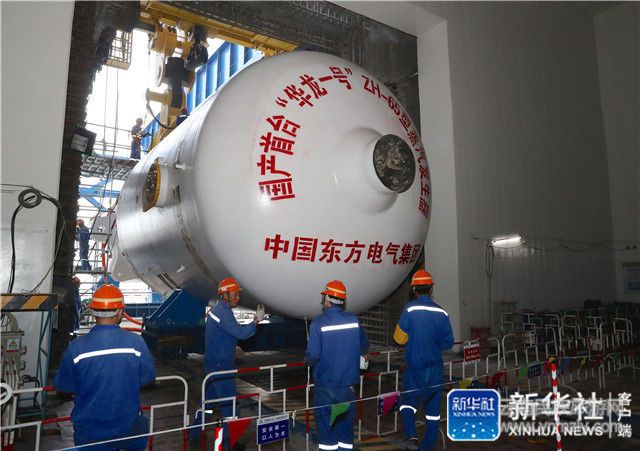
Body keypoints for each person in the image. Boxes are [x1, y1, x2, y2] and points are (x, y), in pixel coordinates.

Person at [54, 284, 156, 450]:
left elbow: (63, 386)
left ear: (93, 312)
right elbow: (148, 377)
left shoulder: (76, 348)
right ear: (120, 312)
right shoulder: (136, 343)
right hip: (129, 428)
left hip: (90, 434)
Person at [190, 277, 264, 448]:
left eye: (238, 294)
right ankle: (230, 442)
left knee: (207, 405)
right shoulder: (223, 312)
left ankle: (194, 433)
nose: (238, 297)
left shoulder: (219, 310)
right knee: (230, 406)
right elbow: (241, 333)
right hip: (222, 368)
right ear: (225, 295)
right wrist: (256, 321)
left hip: (212, 366)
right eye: (235, 294)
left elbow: (226, 332)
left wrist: (231, 345)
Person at [305, 280, 369, 451]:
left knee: (327, 432)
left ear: (327, 300)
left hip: (325, 387)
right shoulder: (354, 320)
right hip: (348, 387)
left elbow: (313, 355)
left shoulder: (318, 323)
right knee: (345, 432)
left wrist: (307, 359)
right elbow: (364, 346)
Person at [394, 270, 454, 451]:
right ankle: (427, 446)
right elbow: (448, 342)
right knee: (433, 411)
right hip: (435, 369)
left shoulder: (410, 309)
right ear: (431, 288)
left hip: (416, 367)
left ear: (413, 289)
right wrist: (432, 343)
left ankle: (411, 438)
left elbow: (399, 338)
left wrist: (415, 339)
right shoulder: (442, 312)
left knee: (408, 403)